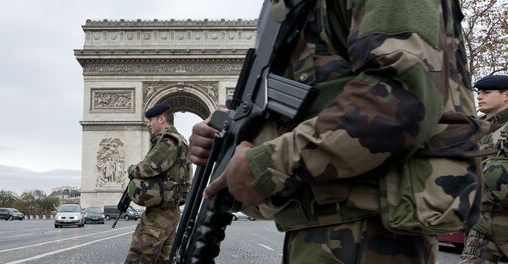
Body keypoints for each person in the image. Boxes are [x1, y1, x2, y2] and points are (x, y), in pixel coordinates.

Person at [190, 0, 482, 263]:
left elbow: (402, 97)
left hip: (371, 233)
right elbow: (313, 103)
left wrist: (265, 164)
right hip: (325, 227)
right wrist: (232, 138)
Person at [125, 102, 191, 264]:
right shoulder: (180, 140)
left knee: (140, 255)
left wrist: (131, 169)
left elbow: (147, 168)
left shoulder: (168, 141)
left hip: (160, 213)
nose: (148, 124)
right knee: (163, 259)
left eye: (150, 120)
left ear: (161, 119)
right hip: (171, 209)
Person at [461, 75, 508, 263]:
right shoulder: (475, 130)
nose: (480, 96)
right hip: (482, 221)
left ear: (506, 95)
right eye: (478, 92)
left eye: (487, 92)